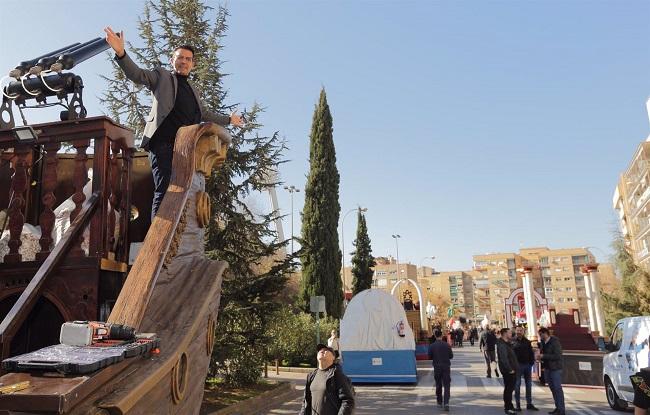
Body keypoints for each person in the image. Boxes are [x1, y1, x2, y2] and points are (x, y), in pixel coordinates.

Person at [103, 27, 244, 220]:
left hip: (186, 149)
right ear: (172, 60)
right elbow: (137, 75)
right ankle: (157, 245)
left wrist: (229, 119)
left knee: (184, 193)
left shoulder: (193, 89)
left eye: (188, 59)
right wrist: (121, 53)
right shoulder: (162, 77)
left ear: (193, 64)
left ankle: (174, 240)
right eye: (180, 57)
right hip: (163, 144)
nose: (184, 61)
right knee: (165, 190)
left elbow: (204, 113)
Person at [299, 344, 355, 415]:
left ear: (333, 357)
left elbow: (348, 401)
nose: (322, 351)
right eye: (320, 350)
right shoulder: (311, 376)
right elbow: (305, 402)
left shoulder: (337, 375)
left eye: (326, 350)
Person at [538, 327, 565, 415]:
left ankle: (561, 409)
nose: (540, 336)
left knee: (557, 388)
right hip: (547, 368)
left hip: (555, 368)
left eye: (541, 334)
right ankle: (557, 407)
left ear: (545, 333)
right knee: (553, 389)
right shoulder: (543, 342)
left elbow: (558, 355)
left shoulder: (555, 342)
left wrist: (543, 356)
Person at [512, 326, 539, 411]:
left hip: (527, 365)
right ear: (515, 331)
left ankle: (529, 403)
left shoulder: (527, 341)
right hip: (517, 366)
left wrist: (531, 363)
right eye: (517, 330)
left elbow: (530, 353)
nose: (519, 332)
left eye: (521, 331)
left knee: (529, 385)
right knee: (517, 385)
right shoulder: (512, 341)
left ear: (523, 332)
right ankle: (518, 405)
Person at [428, 329, 453, 411]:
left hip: (437, 367)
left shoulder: (432, 346)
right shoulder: (447, 345)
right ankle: (446, 402)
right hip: (446, 367)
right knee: (447, 385)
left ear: (435, 336)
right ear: (441, 336)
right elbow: (451, 356)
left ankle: (439, 401)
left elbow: (429, 357)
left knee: (438, 384)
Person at [497, 328, 519, 415]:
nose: (511, 334)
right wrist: (510, 369)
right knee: (508, 389)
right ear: (505, 333)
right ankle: (508, 407)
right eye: (510, 333)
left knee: (510, 388)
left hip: (511, 369)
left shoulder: (507, 343)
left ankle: (510, 405)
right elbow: (504, 359)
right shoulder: (502, 344)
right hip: (508, 370)